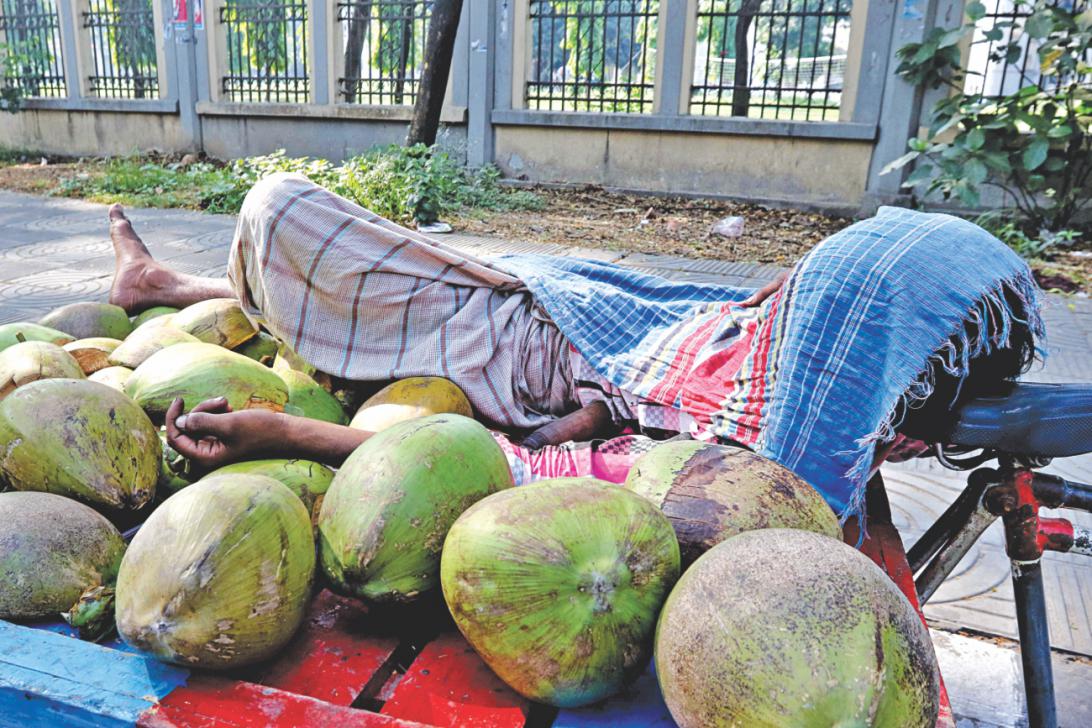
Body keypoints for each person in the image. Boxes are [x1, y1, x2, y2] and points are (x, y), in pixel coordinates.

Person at [110, 173, 1044, 522]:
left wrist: (289, 433)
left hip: (502, 351)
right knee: (304, 236)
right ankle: (169, 290)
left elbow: (510, 467)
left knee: (280, 213)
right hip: (563, 301)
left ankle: (168, 290)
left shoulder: (757, 461)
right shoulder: (804, 359)